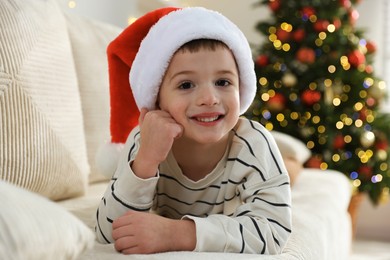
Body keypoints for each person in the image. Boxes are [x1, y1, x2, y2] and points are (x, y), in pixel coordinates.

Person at [95, 6, 292, 255]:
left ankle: (291, 165)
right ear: (157, 101)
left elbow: (273, 231)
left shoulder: (254, 145)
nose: (209, 98)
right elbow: (109, 233)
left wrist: (179, 233)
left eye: (223, 82)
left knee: (286, 171)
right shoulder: (143, 141)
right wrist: (146, 160)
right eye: (186, 84)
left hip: (255, 169)